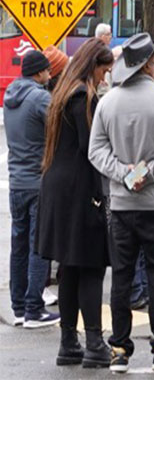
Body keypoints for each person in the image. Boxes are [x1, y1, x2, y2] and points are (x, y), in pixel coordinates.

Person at [87, 33, 154, 373]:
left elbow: (95, 151)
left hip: (121, 205)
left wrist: (122, 174)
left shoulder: (108, 102)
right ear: (148, 64)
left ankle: (119, 349)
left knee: (122, 278)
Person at [35, 41, 116, 367]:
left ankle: (69, 342)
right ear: (91, 66)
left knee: (69, 267)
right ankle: (95, 342)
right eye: (103, 69)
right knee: (92, 267)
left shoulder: (62, 93)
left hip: (57, 189)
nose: (105, 76)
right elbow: (91, 148)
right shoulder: (84, 96)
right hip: (80, 190)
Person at [6, 48, 56, 328]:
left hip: (16, 182)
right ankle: (34, 309)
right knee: (39, 244)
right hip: (38, 181)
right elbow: (61, 126)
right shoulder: (39, 98)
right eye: (47, 71)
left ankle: (18, 308)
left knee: (19, 245)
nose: (50, 75)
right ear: (38, 72)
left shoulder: (10, 94)